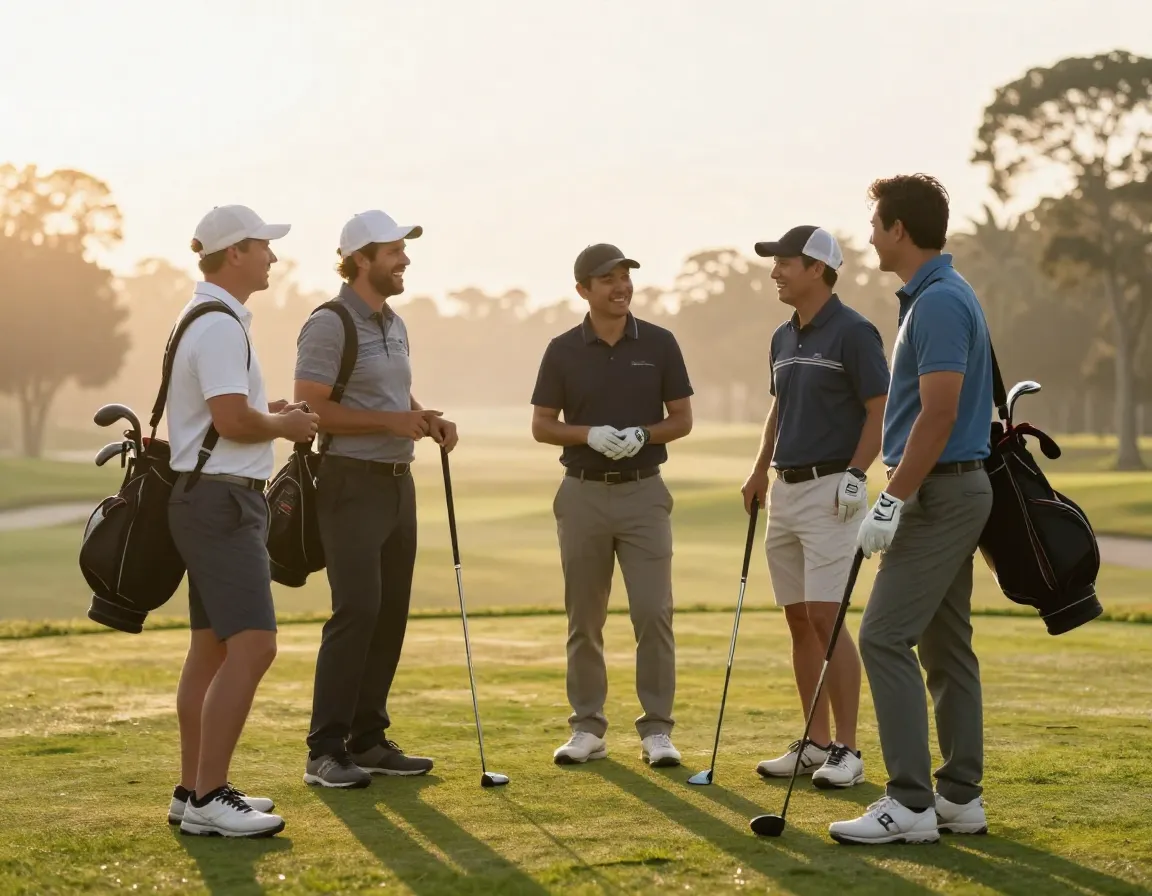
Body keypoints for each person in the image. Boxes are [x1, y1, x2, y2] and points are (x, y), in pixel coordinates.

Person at [829, 174, 995, 845]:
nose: (869, 233)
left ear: (899, 229)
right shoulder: (934, 297)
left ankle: (909, 803)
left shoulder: (938, 304)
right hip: (945, 486)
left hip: (939, 491)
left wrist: (892, 500)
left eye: (875, 222)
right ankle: (958, 797)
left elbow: (941, 411)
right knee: (946, 644)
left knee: (882, 636)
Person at [166, 204, 319, 838]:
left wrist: (268, 409)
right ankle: (209, 795)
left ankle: (189, 791)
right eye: (263, 247)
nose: (273, 258)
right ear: (235, 254)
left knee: (212, 648)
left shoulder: (202, 317)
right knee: (255, 646)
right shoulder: (221, 325)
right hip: (223, 501)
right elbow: (230, 422)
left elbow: (228, 412)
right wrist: (283, 423)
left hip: (206, 496)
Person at [294, 209, 457, 789]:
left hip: (397, 482)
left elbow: (394, 397)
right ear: (361, 258)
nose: (404, 258)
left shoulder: (395, 321)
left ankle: (366, 739)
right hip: (349, 482)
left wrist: (423, 418)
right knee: (357, 610)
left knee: (389, 614)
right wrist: (393, 420)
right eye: (393, 251)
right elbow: (312, 409)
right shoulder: (330, 323)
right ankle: (324, 750)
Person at [530, 243, 694, 768]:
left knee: (653, 612)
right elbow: (542, 425)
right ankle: (587, 727)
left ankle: (657, 730)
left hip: (645, 492)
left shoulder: (661, 343)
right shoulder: (561, 349)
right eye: (607, 279)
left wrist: (644, 434)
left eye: (625, 277)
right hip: (581, 493)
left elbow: (682, 419)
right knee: (585, 617)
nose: (620, 286)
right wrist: (589, 434)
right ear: (583, 289)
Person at [740, 225, 889, 790]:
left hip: (833, 490)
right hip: (786, 488)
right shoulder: (782, 336)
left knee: (827, 619)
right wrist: (759, 470)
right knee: (799, 619)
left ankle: (848, 750)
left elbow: (880, 410)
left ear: (818, 268)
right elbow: (778, 413)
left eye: (785, 262)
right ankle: (816, 742)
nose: (775, 271)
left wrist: (856, 474)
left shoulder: (854, 332)